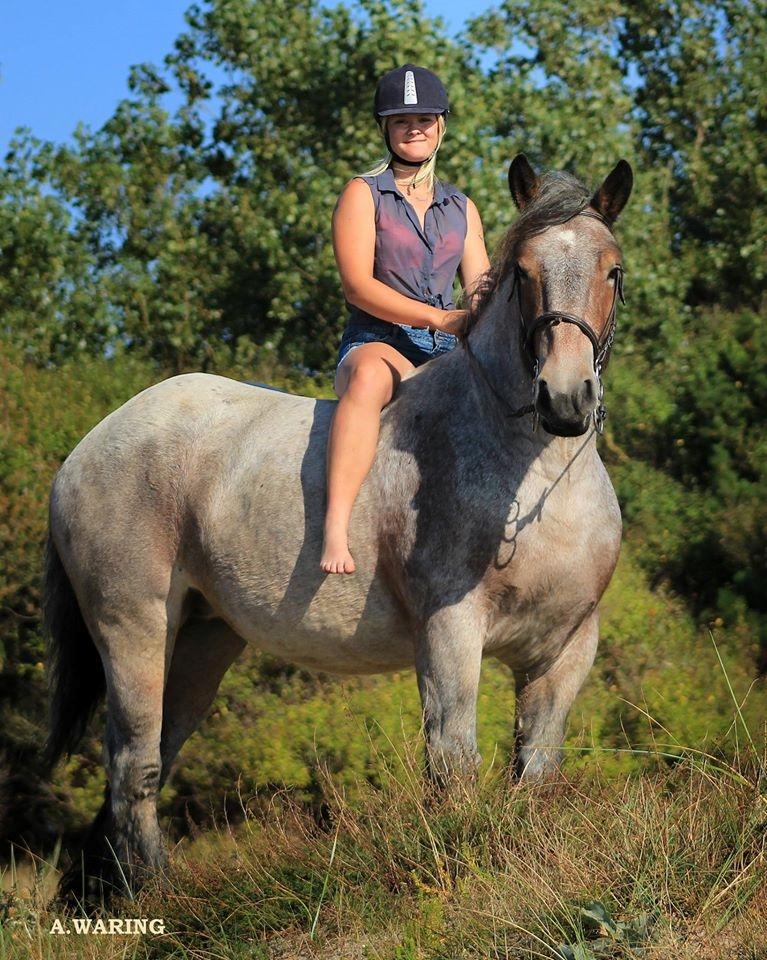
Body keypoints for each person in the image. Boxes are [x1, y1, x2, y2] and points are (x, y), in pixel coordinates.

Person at [320, 63, 491, 574]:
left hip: (445, 355)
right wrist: (437, 318)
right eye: (400, 121)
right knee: (371, 376)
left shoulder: (462, 207)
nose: (413, 127)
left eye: (423, 118)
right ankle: (335, 527)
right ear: (385, 130)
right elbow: (358, 286)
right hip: (378, 340)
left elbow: (478, 286)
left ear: (441, 125)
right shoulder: (362, 193)